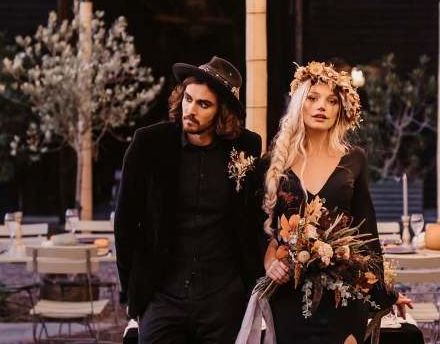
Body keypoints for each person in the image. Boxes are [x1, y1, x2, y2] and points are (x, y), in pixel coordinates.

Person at [114, 56, 265, 344]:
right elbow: (125, 222)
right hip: (161, 296)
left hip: (223, 299)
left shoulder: (247, 146)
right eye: (188, 99)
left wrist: (248, 286)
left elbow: (253, 218)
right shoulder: (148, 143)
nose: (190, 110)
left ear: (222, 112)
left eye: (203, 104)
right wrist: (132, 293)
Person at [261, 62, 414, 344]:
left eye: (332, 101)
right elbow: (257, 231)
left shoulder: (353, 159)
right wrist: (269, 259)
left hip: (344, 296)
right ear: (299, 104)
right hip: (290, 297)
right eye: (313, 98)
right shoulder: (274, 164)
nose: (322, 106)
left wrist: (384, 293)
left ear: (341, 109)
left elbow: (367, 234)